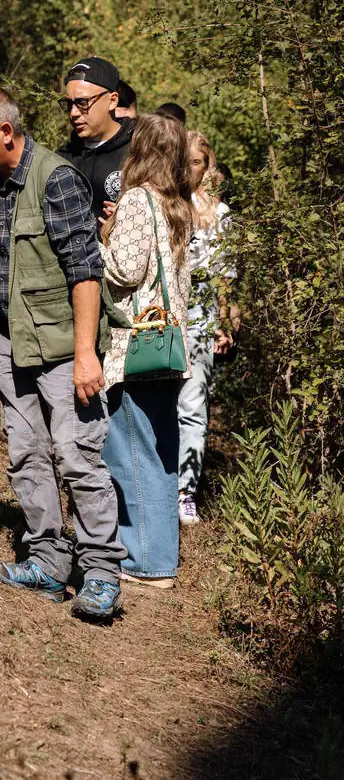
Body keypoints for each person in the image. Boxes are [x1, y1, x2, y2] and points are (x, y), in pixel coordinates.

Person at [0, 84, 126, 620]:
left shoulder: (56, 180)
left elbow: (85, 272)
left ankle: (101, 573)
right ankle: (49, 563)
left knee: (78, 456)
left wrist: (85, 355)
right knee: (26, 452)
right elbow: (4, 260)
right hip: (12, 341)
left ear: (5, 132)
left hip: (61, 346)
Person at [99, 114, 193, 588]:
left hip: (134, 348)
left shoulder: (137, 200)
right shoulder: (180, 206)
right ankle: (160, 554)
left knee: (132, 453)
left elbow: (125, 272)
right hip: (168, 349)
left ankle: (146, 560)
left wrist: (98, 242)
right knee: (161, 454)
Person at [177, 132, 240, 524]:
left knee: (193, 405)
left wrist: (223, 324)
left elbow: (224, 275)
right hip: (161, 317)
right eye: (183, 160)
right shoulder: (162, 204)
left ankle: (185, 492)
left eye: (196, 161)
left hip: (199, 318)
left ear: (207, 165)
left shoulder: (221, 215)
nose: (189, 168)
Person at [57, 57, 134, 229]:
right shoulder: (61, 160)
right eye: (69, 104)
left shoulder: (140, 153)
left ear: (113, 100)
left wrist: (136, 218)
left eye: (83, 103)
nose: (73, 113)